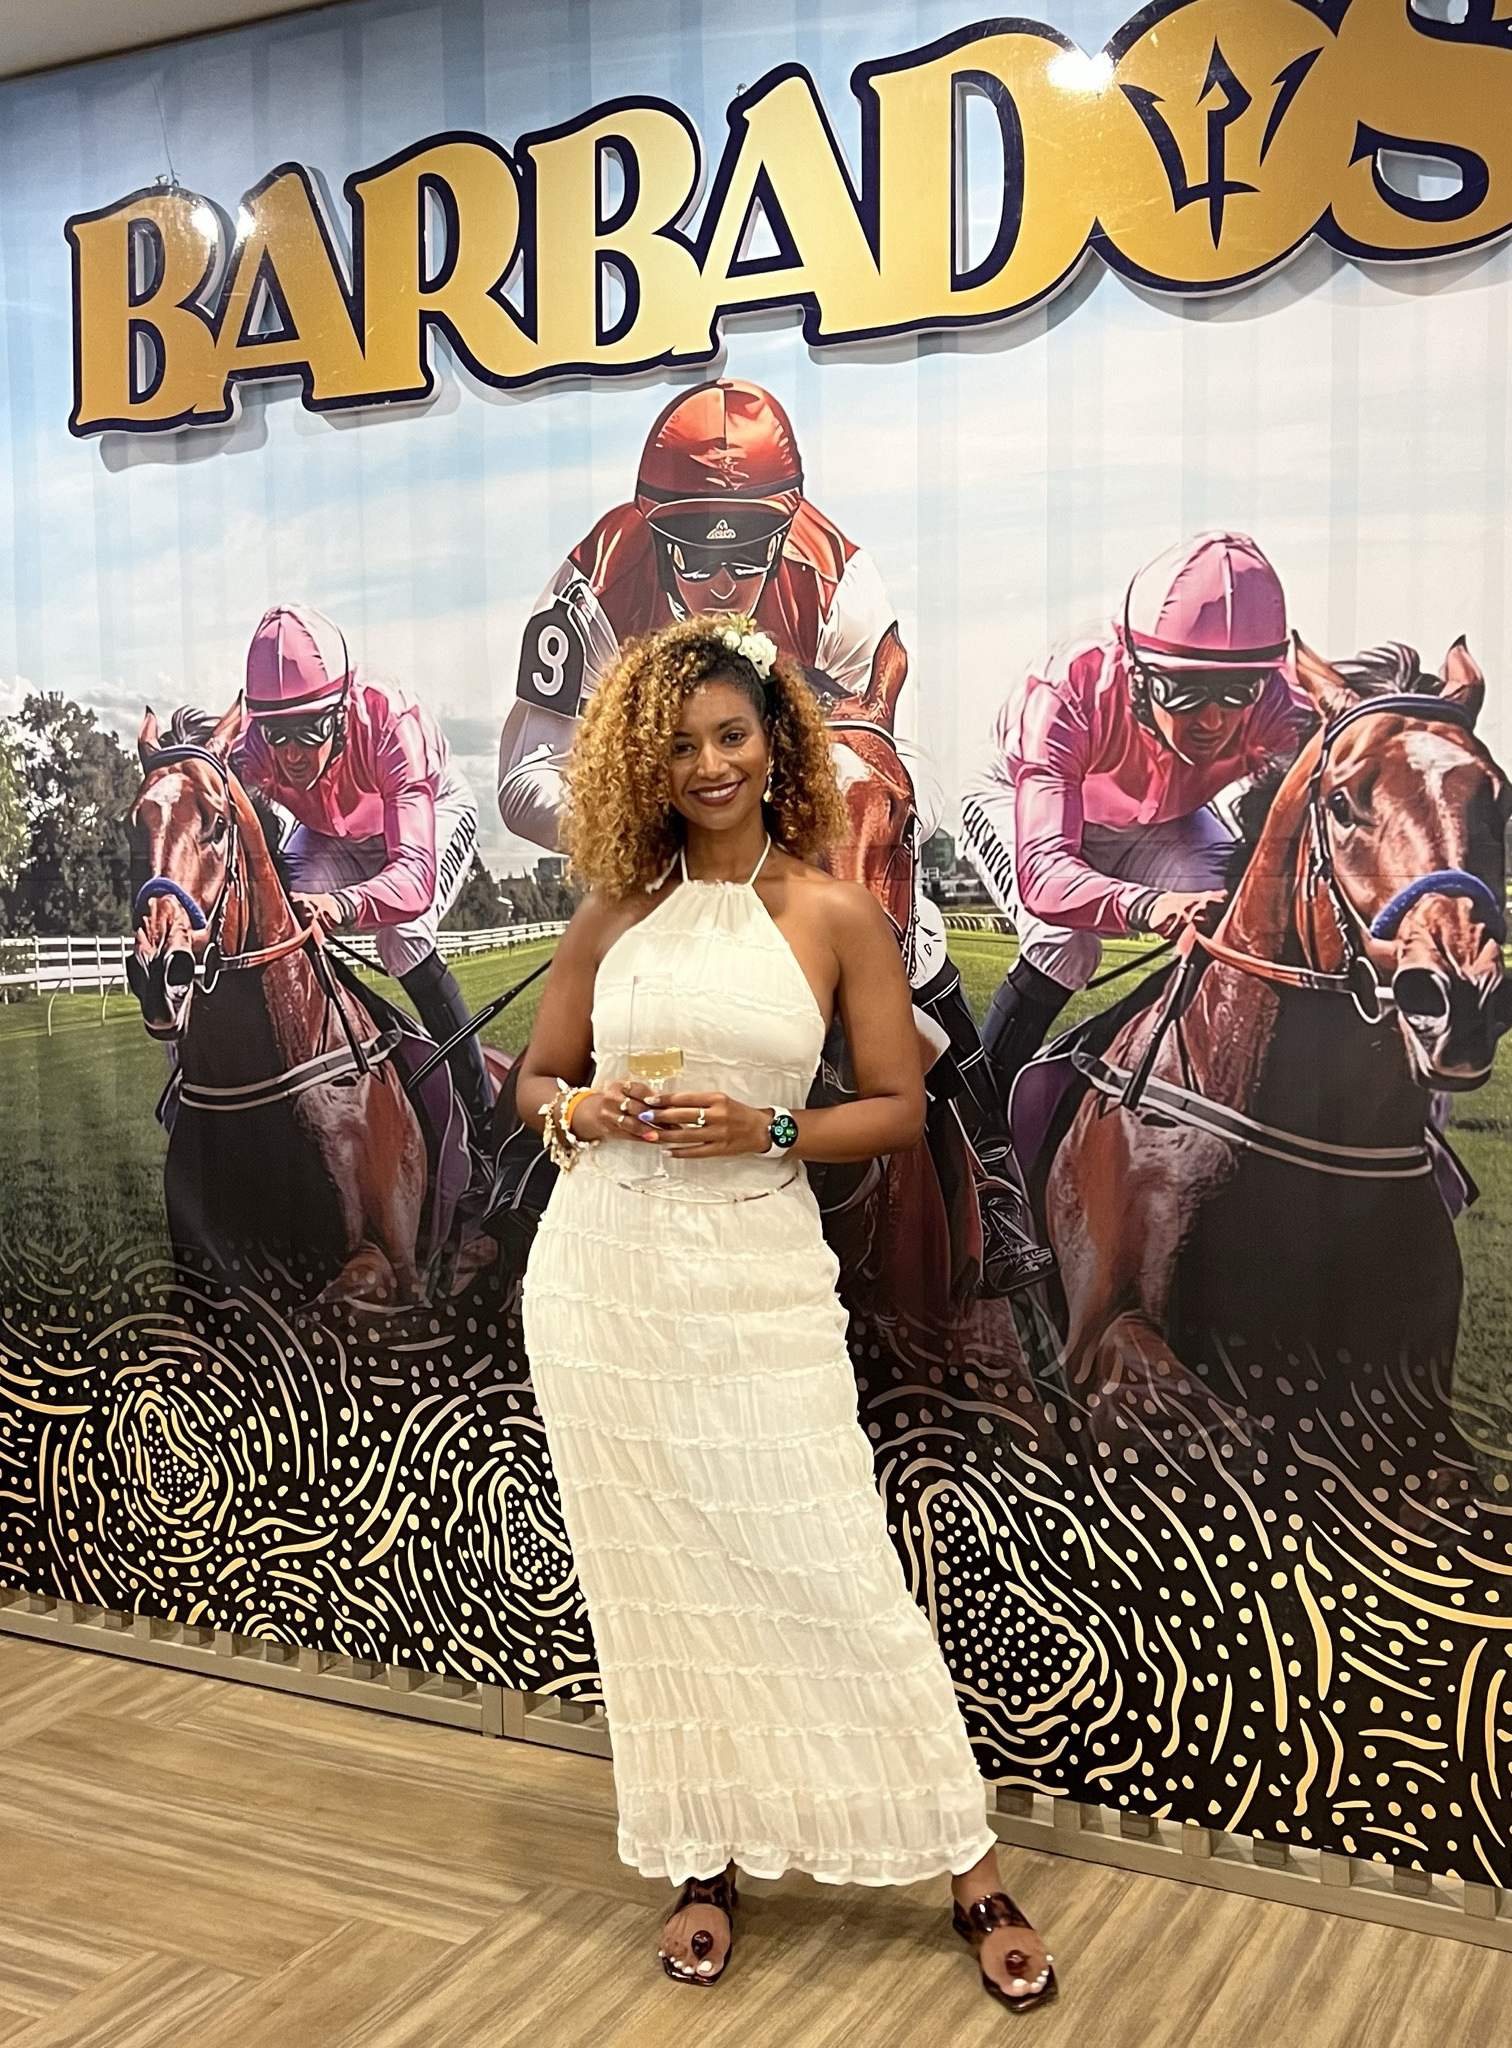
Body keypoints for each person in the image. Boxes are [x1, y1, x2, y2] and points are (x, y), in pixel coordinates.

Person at [514, 613, 1056, 2010]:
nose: (708, 763)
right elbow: (534, 1080)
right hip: (601, 1290)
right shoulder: (610, 915)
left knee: (830, 1567)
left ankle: (961, 1859)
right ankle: (704, 1855)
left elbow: (888, 1107)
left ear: (776, 747)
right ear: (647, 760)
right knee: (659, 1585)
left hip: (753, 1282)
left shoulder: (830, 914)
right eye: (681, 743)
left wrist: (764, 1128)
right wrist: (576, 1106)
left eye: (732, 736)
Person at [498, 377, 1051, 1295]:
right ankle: (506, 1200)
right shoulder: (591, 580)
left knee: (913, 956)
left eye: (747, 553)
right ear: (650, 530)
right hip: (660, 861)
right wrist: (670, 824)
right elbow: (523, 781)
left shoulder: (841, 579)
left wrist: (793, 852)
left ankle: (990, 1184)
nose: (721, 584)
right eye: (692, 555)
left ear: (785, 524)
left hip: (799, 841)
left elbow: (886, 759)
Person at [962, 531, 1316, 1101]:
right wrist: (1150, 906)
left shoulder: (1279, 702)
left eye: (1238, 689)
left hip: (1162, 822)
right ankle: (978, 1119)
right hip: (1021, 803)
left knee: (1232, 926)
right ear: (1138, 669)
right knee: (1064, 942)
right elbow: (1045, 878)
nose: (1214, 721)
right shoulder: (1067, 689)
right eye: (1186, 690)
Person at [235, 602, 495, 1140]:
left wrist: (342, 903)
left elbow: (414, 879)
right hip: (334, 834)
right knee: (286, 928)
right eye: (276, 733)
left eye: (309, 730)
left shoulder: (389, 719)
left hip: (429, 815)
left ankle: (482, 1112)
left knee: (399, 935)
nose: (291, 755)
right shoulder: (254, 748)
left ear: (339, 709)